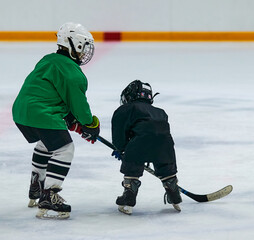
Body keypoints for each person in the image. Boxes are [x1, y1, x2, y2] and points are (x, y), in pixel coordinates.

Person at [12, 22, 100, 219]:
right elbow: (79, 106)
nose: (86, 51)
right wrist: (90, 124)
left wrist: (70, 119)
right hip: (41, 114)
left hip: (20, 112)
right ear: (75, 45)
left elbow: (51, 93)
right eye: (84, 46)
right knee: (64, 149)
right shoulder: (73, 73)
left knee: (47, 144)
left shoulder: (48, 60)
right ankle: (50, 195)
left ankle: (37, 184)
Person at [111, 80, 182, 215]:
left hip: (140, 143)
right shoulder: (161, 112)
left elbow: (119, 135)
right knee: (166, 169)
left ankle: (129, 196)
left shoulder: (126, 109)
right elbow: (158, 134)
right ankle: (174, 193)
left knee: (133, 167)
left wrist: (121, 149)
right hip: (166, 146)